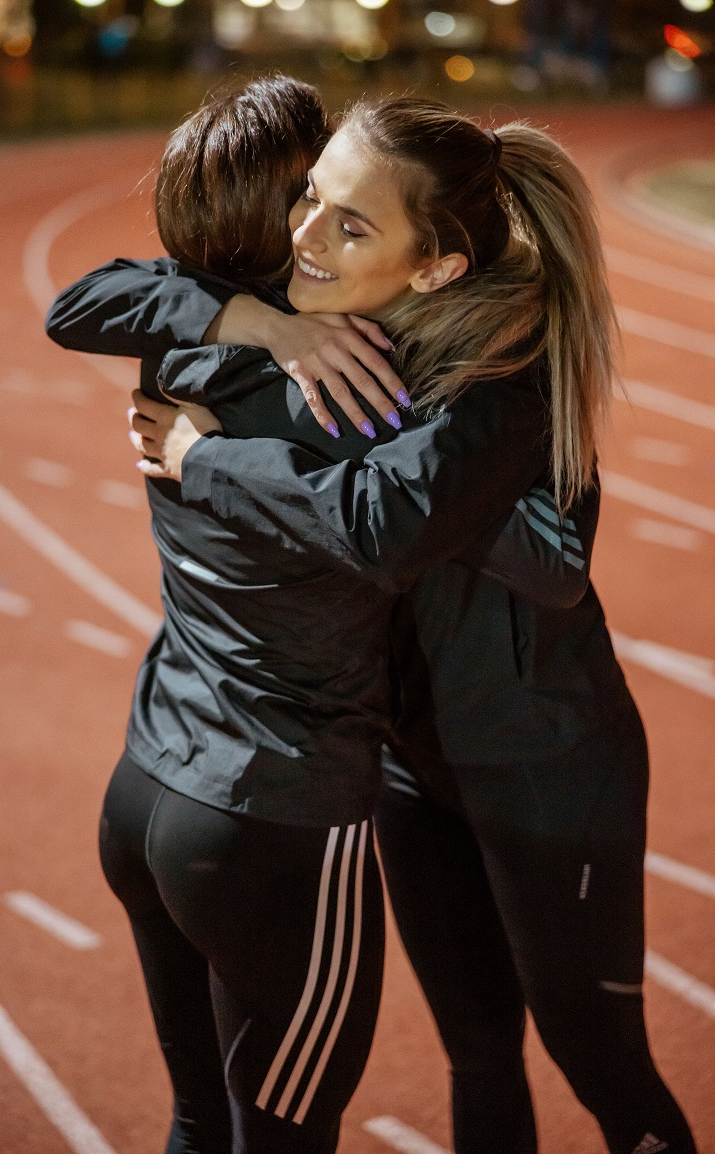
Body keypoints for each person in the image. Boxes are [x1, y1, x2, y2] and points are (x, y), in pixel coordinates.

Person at [48, 89, 696, 1154]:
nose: (301, 235)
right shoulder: (315, 315)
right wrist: (260, 325)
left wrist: (225, 454)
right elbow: (90, 299)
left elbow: (549, 565)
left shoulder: (497, 371)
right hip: (400, 752)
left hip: (538, 757)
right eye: (309, 198)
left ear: (432, 264)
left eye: (347, 221)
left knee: (597, 1055)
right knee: (475, 1046)